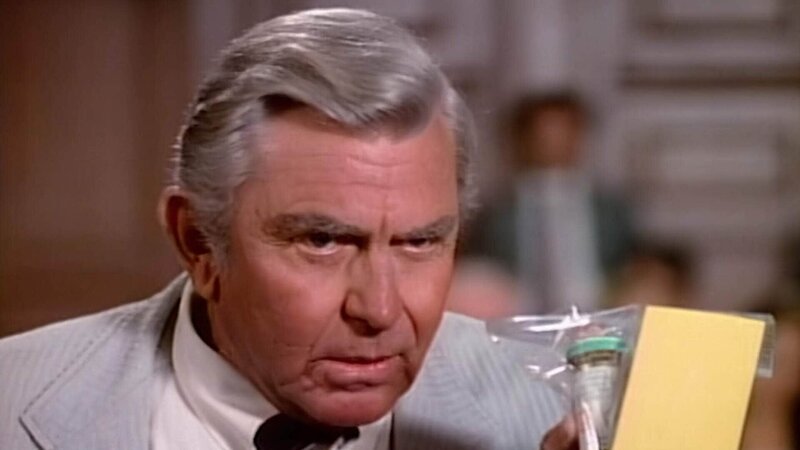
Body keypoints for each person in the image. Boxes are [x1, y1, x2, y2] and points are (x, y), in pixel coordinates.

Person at [0, 9, 576, 450]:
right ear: (198, 242)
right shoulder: (13, 401)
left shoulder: (558, 409)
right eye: (323, 241)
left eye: (419, 242)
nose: (379, 310)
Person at [465, 92, 634, 313]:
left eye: (564, 132)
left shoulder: (611, 212)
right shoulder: (496, 216)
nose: (554, 142)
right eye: (543, 133)